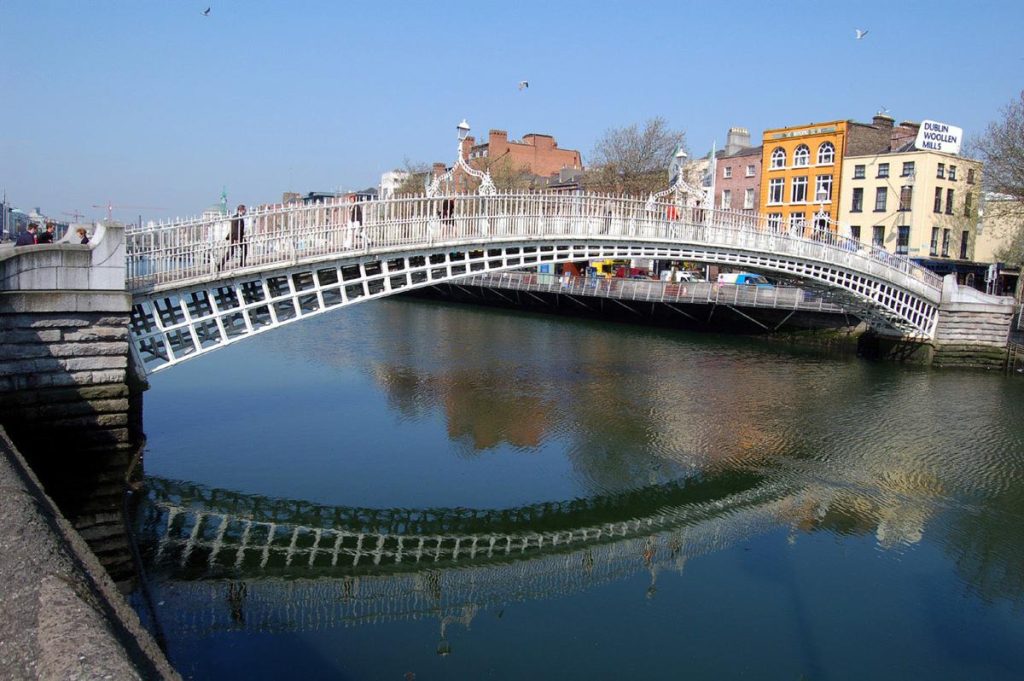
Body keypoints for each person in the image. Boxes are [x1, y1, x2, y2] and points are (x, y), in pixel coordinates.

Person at [219, 204, 248, 270]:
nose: (245, 212)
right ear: (241, 210)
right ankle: (242, 263)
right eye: (244, 210)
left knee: (235, 250)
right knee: (237, 250)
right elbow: (235, 229)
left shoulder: (237, 217)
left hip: (236, 237)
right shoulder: (238, 217)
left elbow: (234, 229)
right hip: (236, 237)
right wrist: (236, 239)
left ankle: (220, 265)